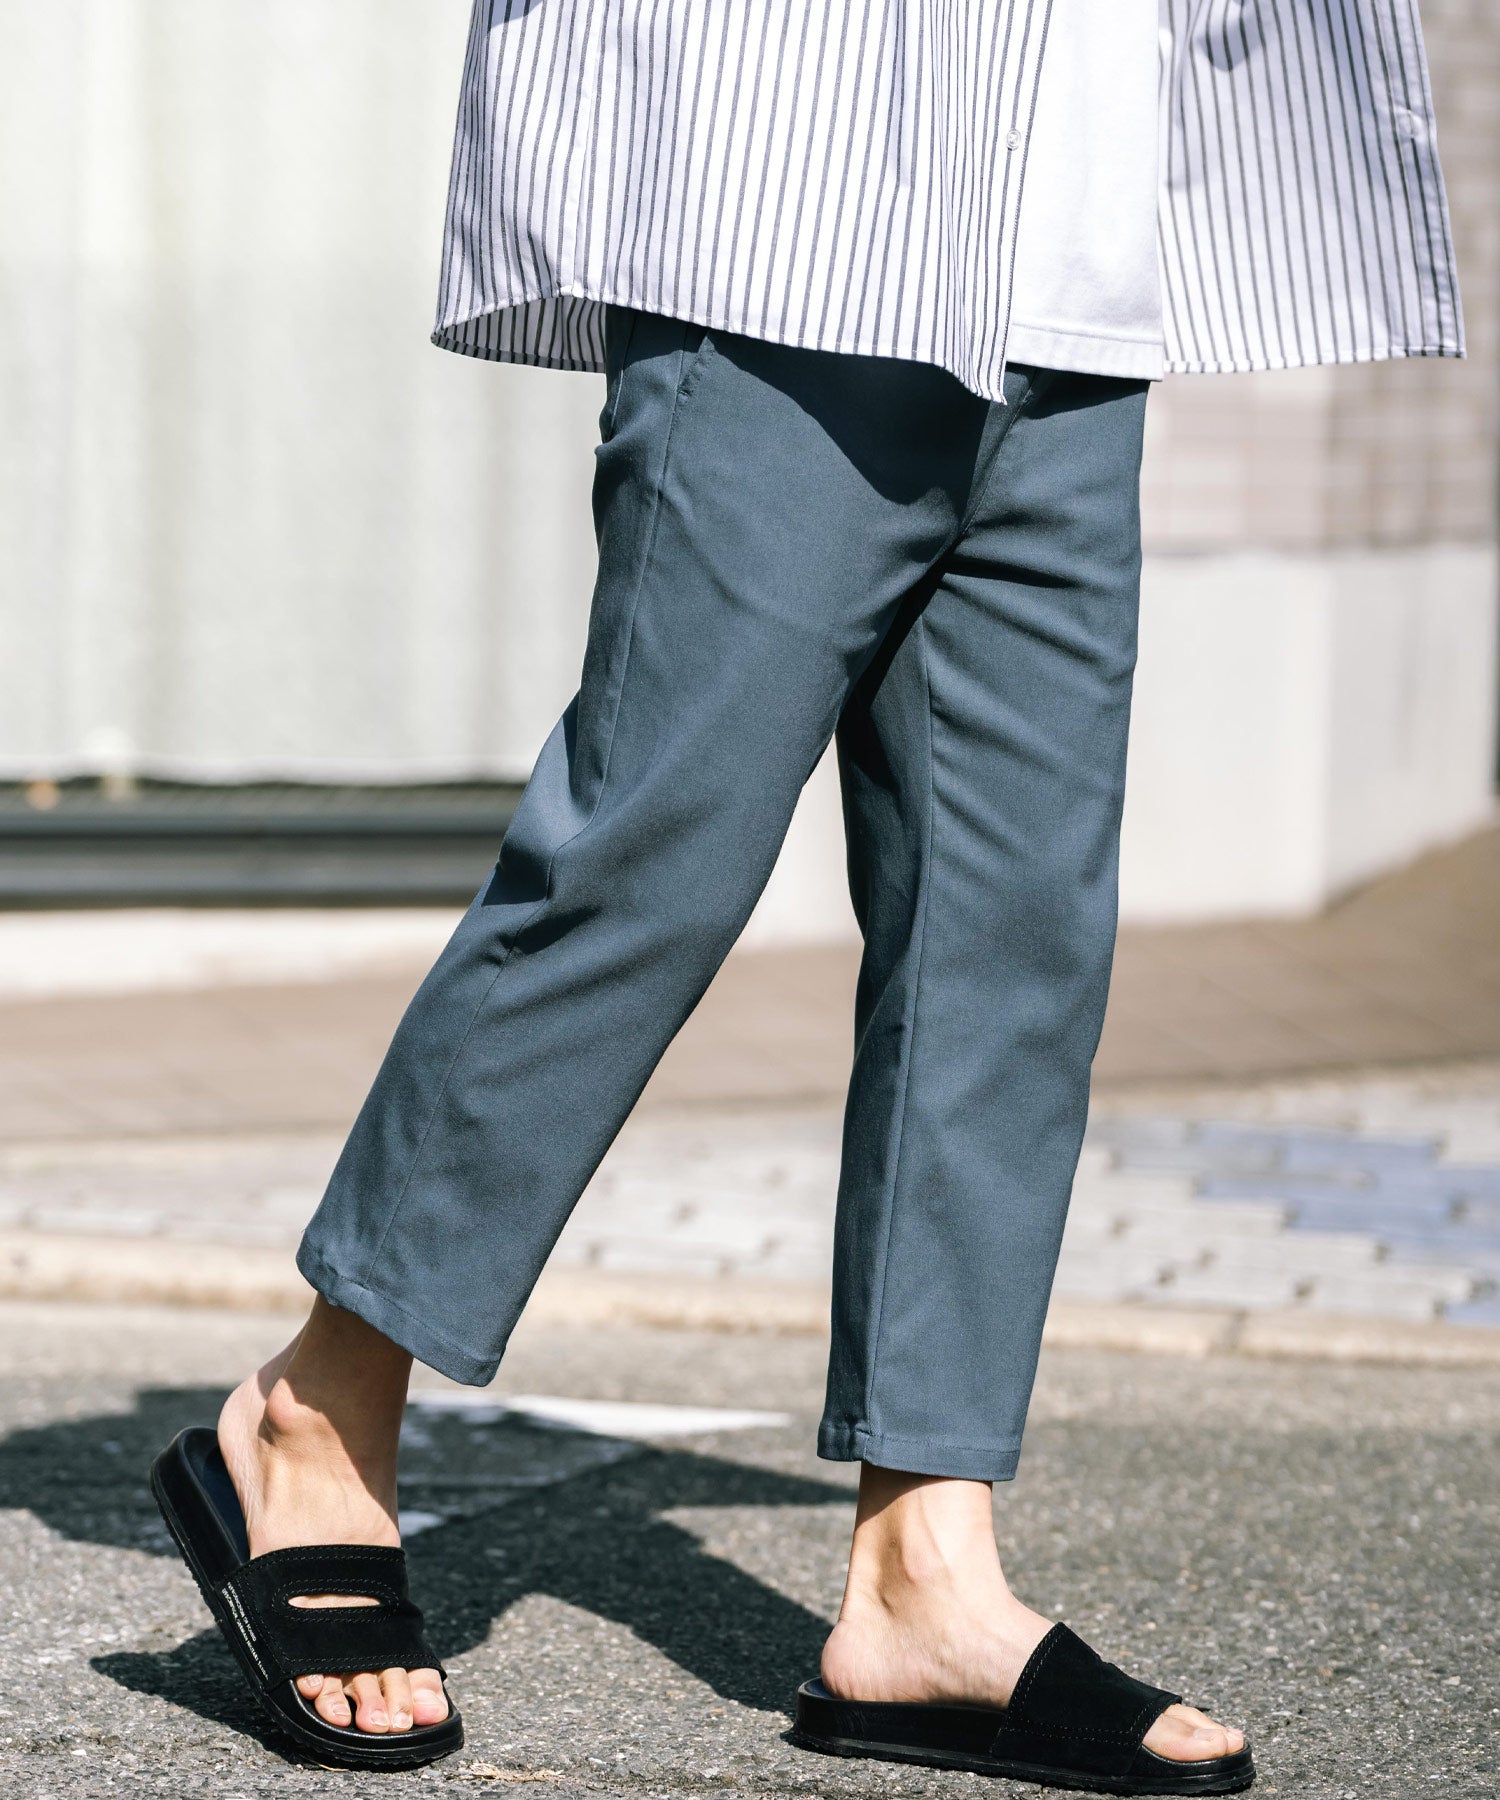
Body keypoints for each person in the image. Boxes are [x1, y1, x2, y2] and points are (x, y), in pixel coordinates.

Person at [151, 0, 1461, 1788]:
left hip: (1079, 257)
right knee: (650, 862)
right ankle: (316, 1409)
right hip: (806, 211)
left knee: (1013, 935)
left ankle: (927, 1573)